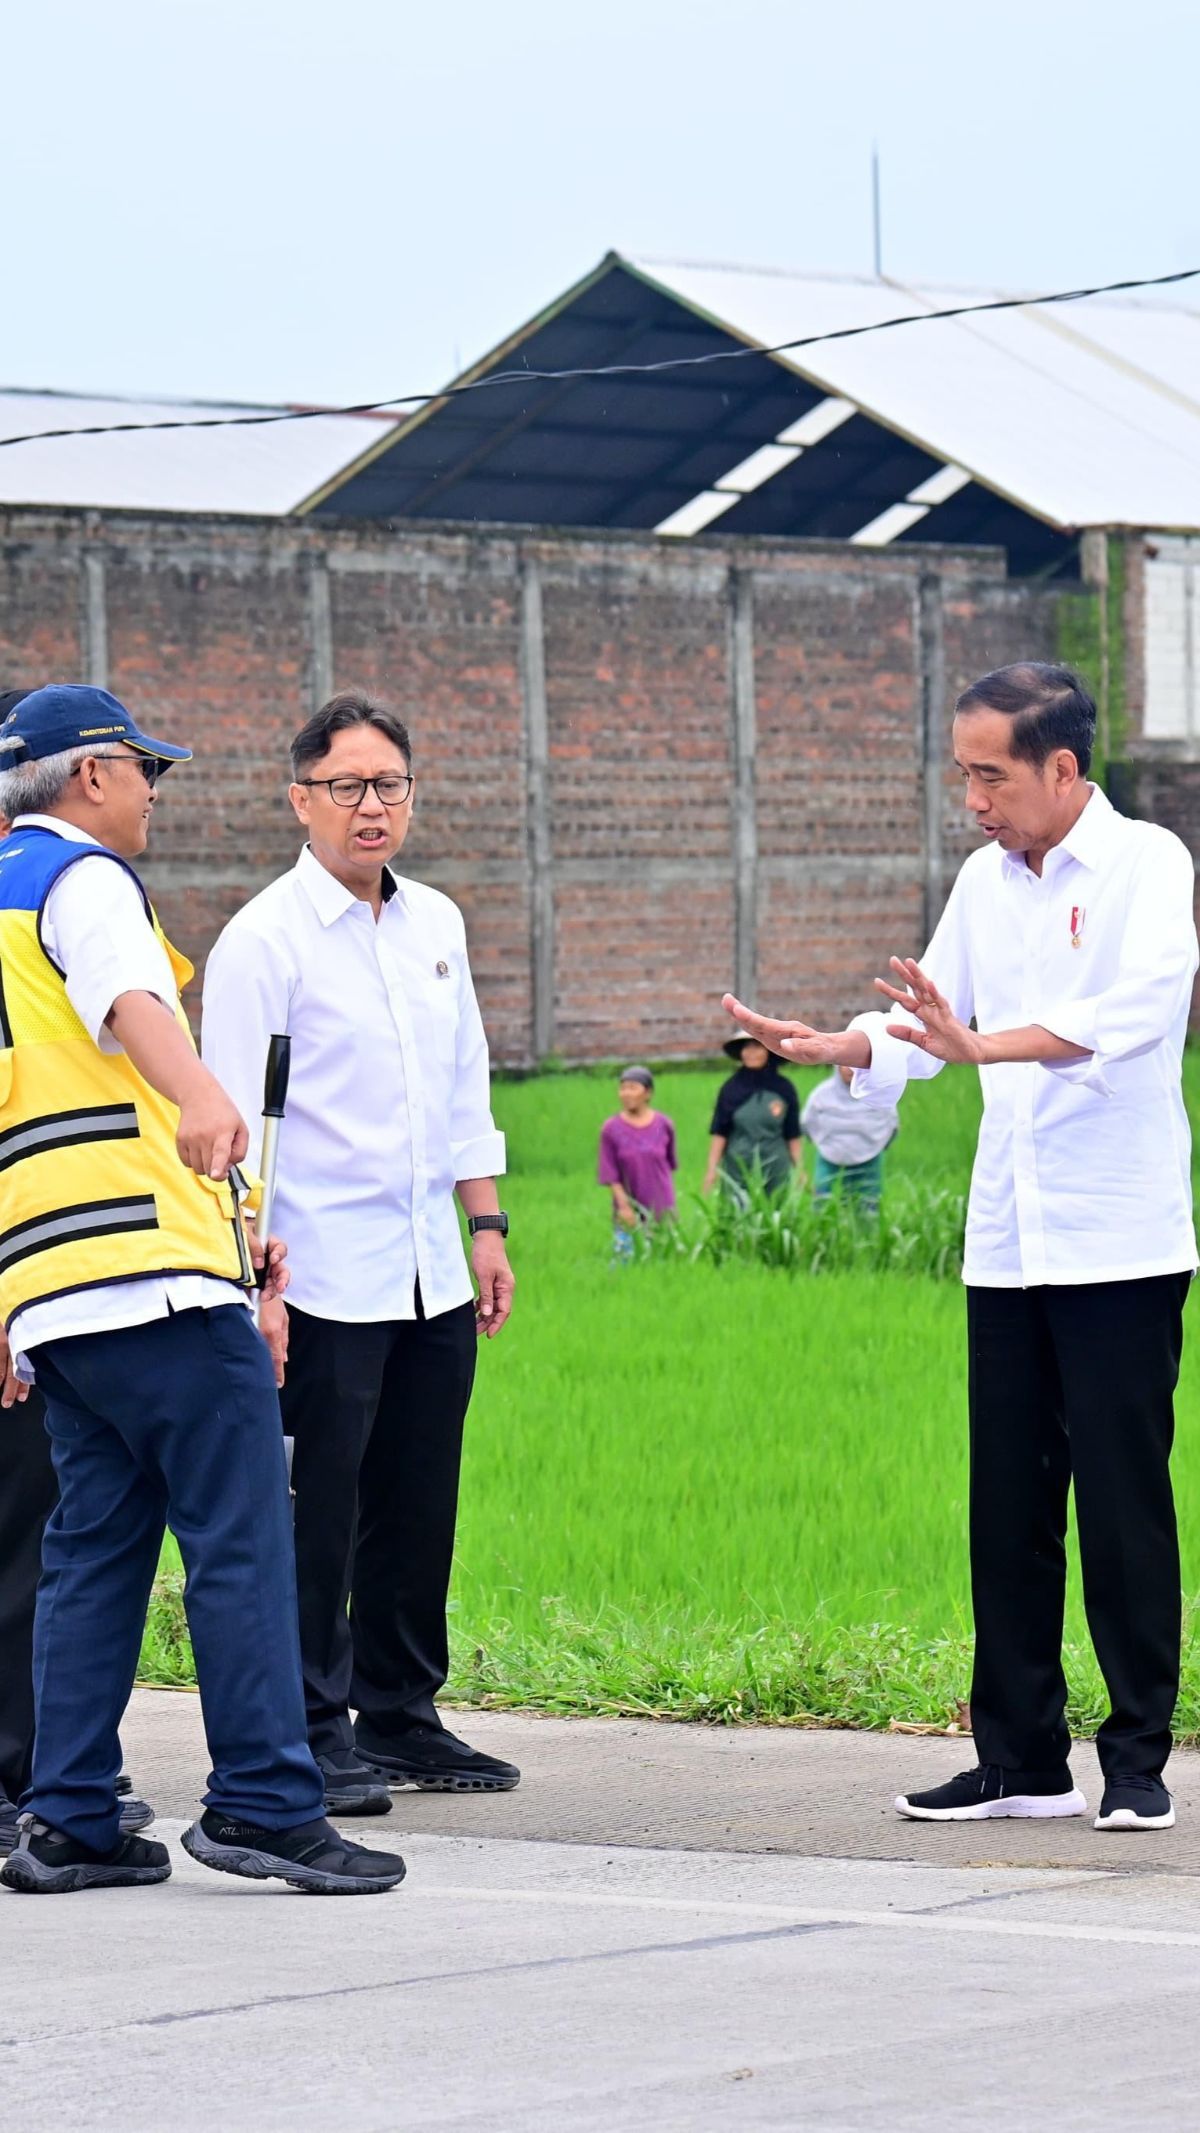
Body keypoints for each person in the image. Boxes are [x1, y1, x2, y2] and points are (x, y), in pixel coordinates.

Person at [725, 662, 1197, 1834]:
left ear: (1062, 769)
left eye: (991, 775)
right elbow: (930, 1026)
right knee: (1010, 1506)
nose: (974, 799)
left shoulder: (1147, 865)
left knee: (1125, 1508)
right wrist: (836, 1039)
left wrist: (984, 1048)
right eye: (964, 775)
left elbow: (1139, 1017)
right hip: (1008, 1245)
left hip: (1118, 1245)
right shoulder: (985, 882)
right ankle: (1021, 1761)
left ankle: (1136, 1762)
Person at [0, 683, 406, 1895]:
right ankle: (267, 1804)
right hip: (151, 1272)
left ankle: (69, 1815)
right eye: (146, 772)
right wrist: (205, 1094)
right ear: (90, 776)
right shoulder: (83, 883)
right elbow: (130, 1002)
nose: (154, 795)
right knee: (239, 1535)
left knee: (93, 1550)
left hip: (55, 1286)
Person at [202, 689, 518, 1806]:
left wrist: (485, 1226)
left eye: (390, 785)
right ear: (301, 801)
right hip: (320, 1272)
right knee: (318, 1511)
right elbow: (231, 1128)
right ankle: (307, 1727)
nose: (371, 807)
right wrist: (251, 1283)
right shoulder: (263, 942)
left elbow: (465, 1087)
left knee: (418, 1499)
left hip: (431, 1261)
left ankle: (400, 1713)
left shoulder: (435, 923)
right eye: (346, 788)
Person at [0, 691, 154, 1854]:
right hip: (47, 1266)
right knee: (35, 1531)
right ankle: (34, 1779)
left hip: (41, 1268)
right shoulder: (54, 892)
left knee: (44, 1527)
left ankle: (48, 1777)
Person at [702, 1032, 801, 1195]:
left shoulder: (784, 1089)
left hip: (776, 1166)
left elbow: (792, 1133)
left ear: (769, 1051)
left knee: (776, 1214)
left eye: (757, 1047)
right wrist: (712, 1170)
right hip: (739, 1165)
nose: (750, 1053)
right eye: (746, 1048)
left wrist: (800, 1170)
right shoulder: (731, 1089)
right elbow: (720, 1132)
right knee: (737, 1212)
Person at [597, 1065, 678, 1257]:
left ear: (648, 1092)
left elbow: (668, 1166)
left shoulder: (664, 1125)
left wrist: (669, 1207)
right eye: (623, 1088)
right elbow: (610, 1174)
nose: (626, 1093)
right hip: (629, 1207)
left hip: (661, 1206)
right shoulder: (611, 1129)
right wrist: (624, 1208)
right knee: (626, 1260)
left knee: (664, 1260)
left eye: (633, 1087)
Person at [801, 1064, 899, 1210]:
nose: (850, 1069)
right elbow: (807, 1121)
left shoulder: (878, 1093)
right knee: (823, 1205)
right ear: (837, 1067)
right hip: (829, 1158)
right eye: (845, 1064)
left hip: (869, 1158)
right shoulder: (821, 1094)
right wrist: (822, 1142)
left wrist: (879, 1144)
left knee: (869, 1205)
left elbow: (892, 1123)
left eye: (855, 1064)